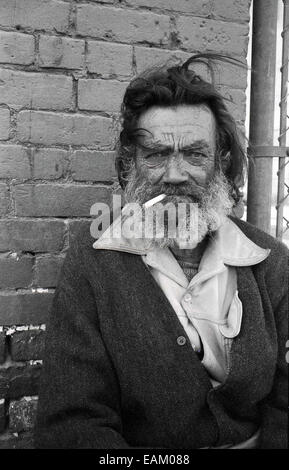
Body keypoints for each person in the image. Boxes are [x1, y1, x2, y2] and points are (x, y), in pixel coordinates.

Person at [35, 54, 288, 449]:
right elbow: (74, 421)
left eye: (195, 154)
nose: (174, 174)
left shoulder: (271, 262)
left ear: (221, 162)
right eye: (155, 155)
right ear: (129, 164)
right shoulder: (94, 260)